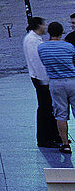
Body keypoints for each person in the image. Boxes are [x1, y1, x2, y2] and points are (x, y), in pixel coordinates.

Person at [26, 17, 63, 148]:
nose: (45, 27)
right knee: (45, 109)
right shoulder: (32, 40)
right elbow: (37, 62)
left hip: (42, 78)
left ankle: (54, 135)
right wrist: (45, 81)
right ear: (38, 26)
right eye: (44, 25)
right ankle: (44, 138)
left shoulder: (35, 39)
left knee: (49, 108)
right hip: (41, 79)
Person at [38, 21, 75, 153]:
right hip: (72, 80)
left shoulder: (42, 48)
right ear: (61, 33)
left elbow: (43, 62)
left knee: (61, 114)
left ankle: (65, 144)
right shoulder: (69, 47)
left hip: (55, 82)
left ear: (49, 32)